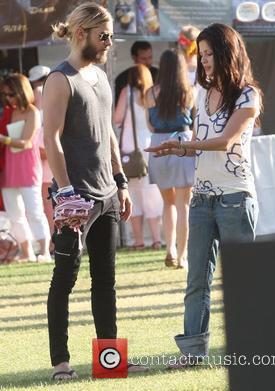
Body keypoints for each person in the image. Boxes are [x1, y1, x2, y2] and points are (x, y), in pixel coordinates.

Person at [145, 23, 262, 367]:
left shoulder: (248, 95)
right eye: (202, 54)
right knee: (197, 281)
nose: (205, 61)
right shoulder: (200, 93)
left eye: (210, 54)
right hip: (201, 200)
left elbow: (225, 141)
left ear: (228, 54)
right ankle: (193, 354)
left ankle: (251, 350)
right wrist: (175, 149)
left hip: (235, 199)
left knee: (242, 281)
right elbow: (199, 142)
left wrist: (185, 144)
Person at [42, 2, 147, 380]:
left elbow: (108, 135)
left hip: (106, 196)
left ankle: (110, 363)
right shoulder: (60, 79)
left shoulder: (101, 75)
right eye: (104, 35)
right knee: (64, 280)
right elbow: (50, 138)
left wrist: (120, 183)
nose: (109, 42)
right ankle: (61, 365)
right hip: (75, 199)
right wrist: (66, 193)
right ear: (81, 32)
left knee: (105, 281)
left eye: (111, 36)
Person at [145, 50, 195, 268]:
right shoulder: (188, 92)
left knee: (168, 203)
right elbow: (193, 122)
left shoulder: (150, 93)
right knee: (184, 205)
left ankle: (170, 249)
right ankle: (182, 256)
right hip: (182, 142)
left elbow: (150, 124)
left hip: (158, 143)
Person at [0, 73, 51, 262]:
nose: (8, 98)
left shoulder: (32, 112)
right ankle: (27, 251)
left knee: (35, 211)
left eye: (11, 94)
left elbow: (27, 142)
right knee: (15, 214)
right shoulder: (10, 112)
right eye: (5, 94)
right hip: (10, 167)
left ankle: (45, 251)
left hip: (27, 167)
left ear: (21, 91)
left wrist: (3, 139)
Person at [114, 64, 163, 250]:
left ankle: (139, 240)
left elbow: (117, 118)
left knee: (133, 193)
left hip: (130, 145)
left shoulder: (127, 92)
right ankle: (157, 239)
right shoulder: (153, 93)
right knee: (151, 191)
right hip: (149, 144)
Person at [28, 65, 55, 250]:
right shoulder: (40, 113)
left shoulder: (44, 112)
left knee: (49, 207)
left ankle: (54, 244)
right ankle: (53, 243)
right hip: (42, 165)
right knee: (48, 207)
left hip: (47, 166)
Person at [115, 41, 159, 105]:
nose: (148, 62)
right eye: (143, 59)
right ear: (134, 58)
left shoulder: (159, 75)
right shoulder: (122, 78)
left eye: (150, 57)